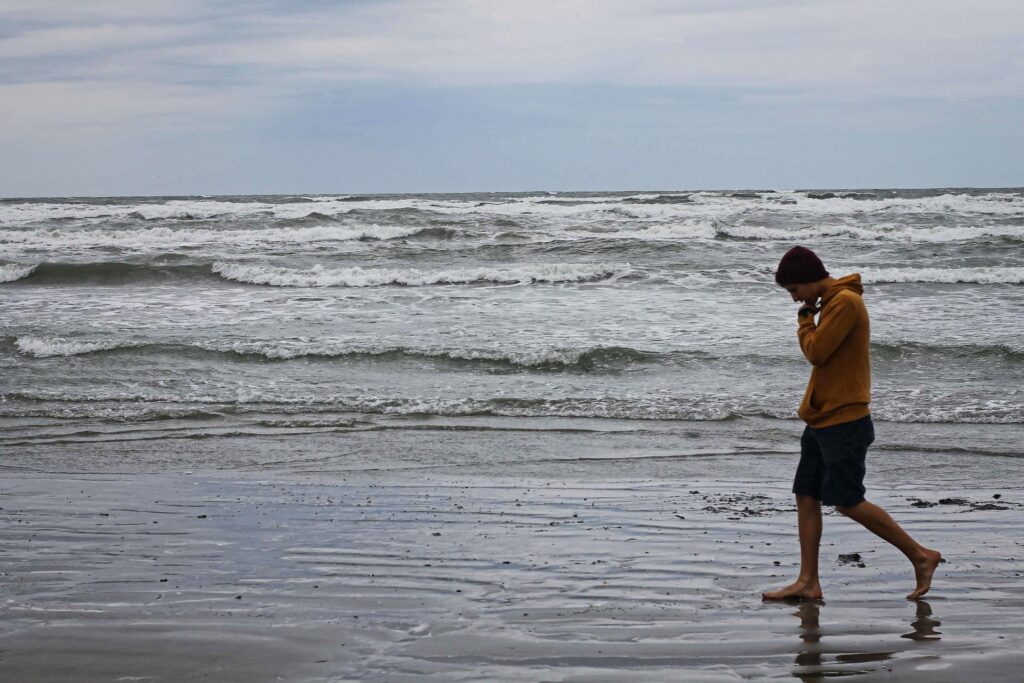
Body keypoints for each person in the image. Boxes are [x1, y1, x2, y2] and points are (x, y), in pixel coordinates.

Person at [762, 246, 941, 601]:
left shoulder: (844, 302)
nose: (794, 298)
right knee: (806, 495)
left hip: (845, 420)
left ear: (810, 279)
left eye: (794, 290)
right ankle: (808, 582)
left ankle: (921, 555)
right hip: (822, 418)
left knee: (847, 501)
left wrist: (804, 319)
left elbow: (816, 351)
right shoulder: (831, 302)